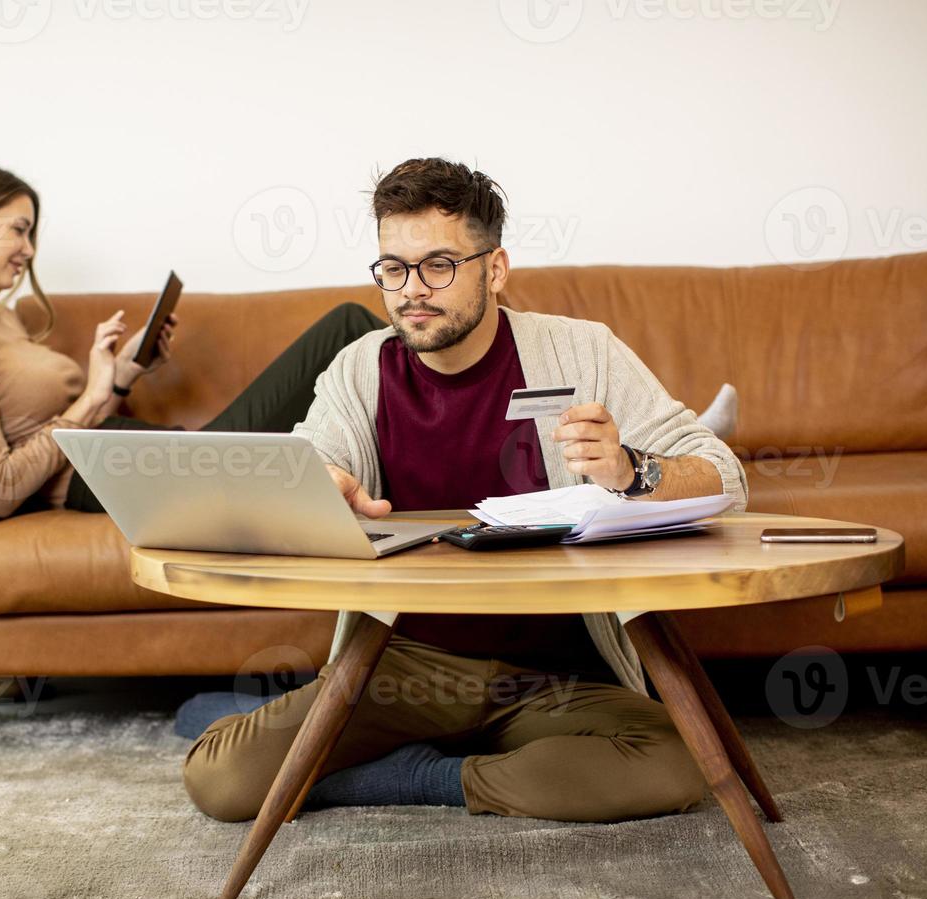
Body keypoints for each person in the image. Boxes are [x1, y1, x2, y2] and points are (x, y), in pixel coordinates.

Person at [179, 157, 750, 824]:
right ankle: (335, 742)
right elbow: (318, 459)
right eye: (394, 268)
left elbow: (724, 476)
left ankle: (412, 777)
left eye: (439, 265)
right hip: (408, 668)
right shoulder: (360, 368)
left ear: (496, 269)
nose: (412, 290)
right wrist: (322, 488)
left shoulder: (583, 351)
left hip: (553, 680)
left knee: (684, 762)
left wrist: (630, 469)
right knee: (220, 783)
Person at [0, 156, 384, 518]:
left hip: (123, 453)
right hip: (109, 474)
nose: (29, 249)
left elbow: (63, 426)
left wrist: (121, 378)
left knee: (349, 348)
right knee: (344, 328)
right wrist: (90, 400)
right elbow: (0, 489)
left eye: (31, 234)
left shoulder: (0, 318)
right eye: (18, 230)